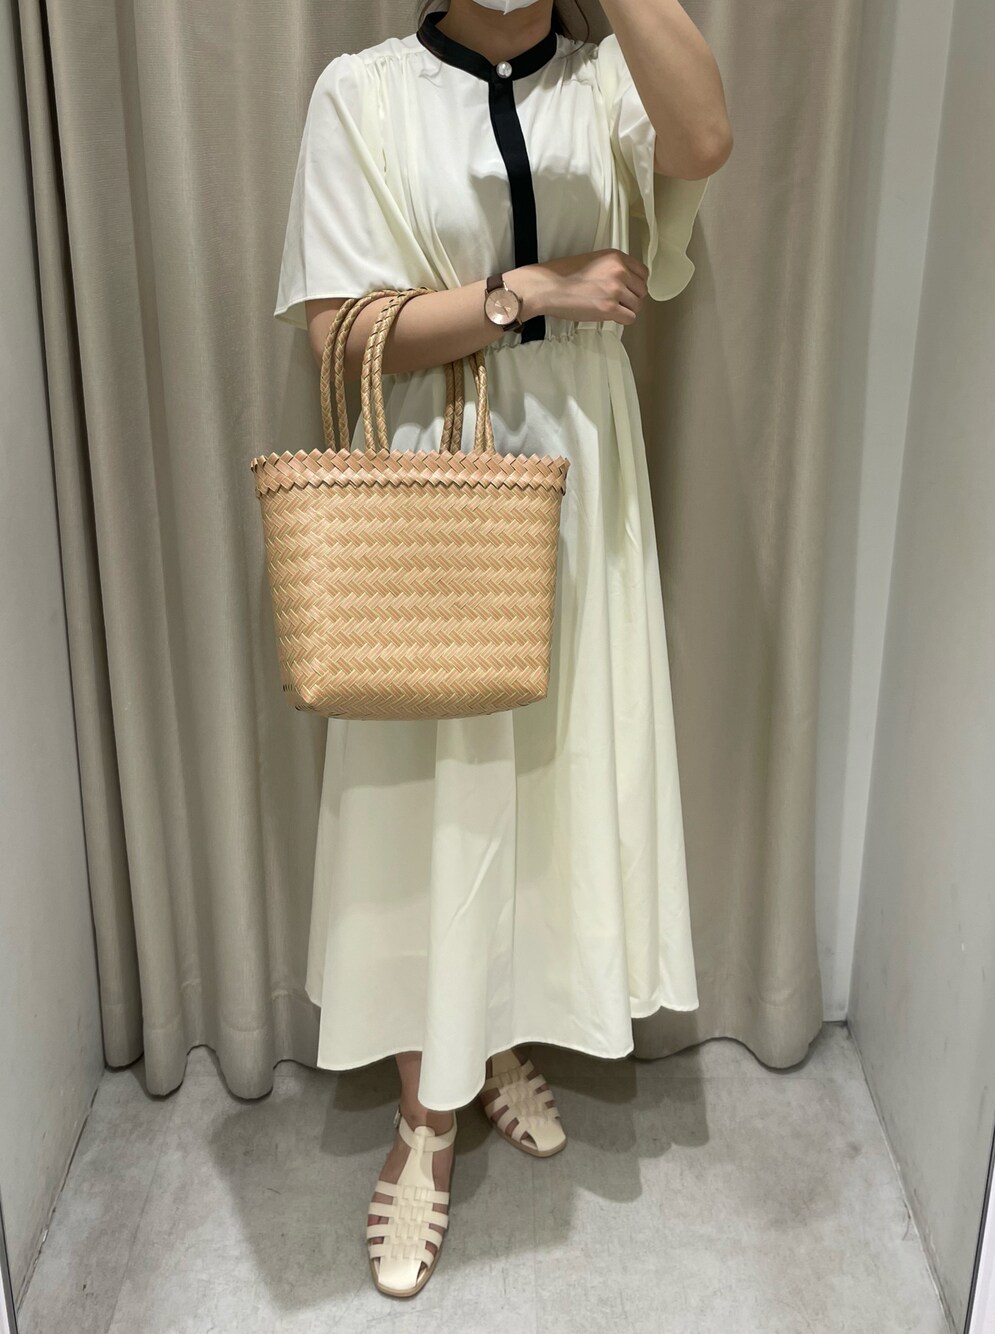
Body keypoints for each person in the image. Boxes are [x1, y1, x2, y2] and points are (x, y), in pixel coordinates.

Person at [273, 0, 731, 1300]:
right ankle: (424, 1117)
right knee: (437, 794)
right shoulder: (364, 93)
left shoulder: (606, 84)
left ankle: (489, 1033)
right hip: (438, 483)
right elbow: (338, 333)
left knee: (550, 779)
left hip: (585, 468)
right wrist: (532, 290)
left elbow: (706, 134)